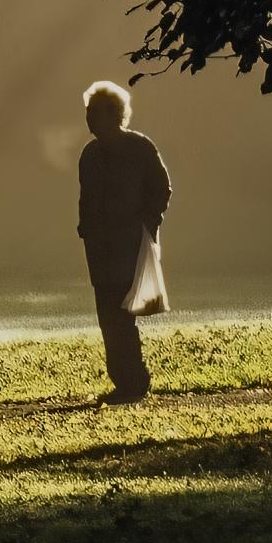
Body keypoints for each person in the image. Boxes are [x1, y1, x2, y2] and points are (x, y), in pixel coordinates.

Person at [77, 80, 172, 403]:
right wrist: (86, 227)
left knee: (120, 315)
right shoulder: (89, 155)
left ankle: (133, 381)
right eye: (88, 113)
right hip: (100, 250)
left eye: (95, 113)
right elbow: (86, 200)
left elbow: (162, 189)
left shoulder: (139, 148)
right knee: (109, 317)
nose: (89, 119)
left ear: (115, 114)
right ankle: (126, 380)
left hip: (128, 246)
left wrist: (147, 221)